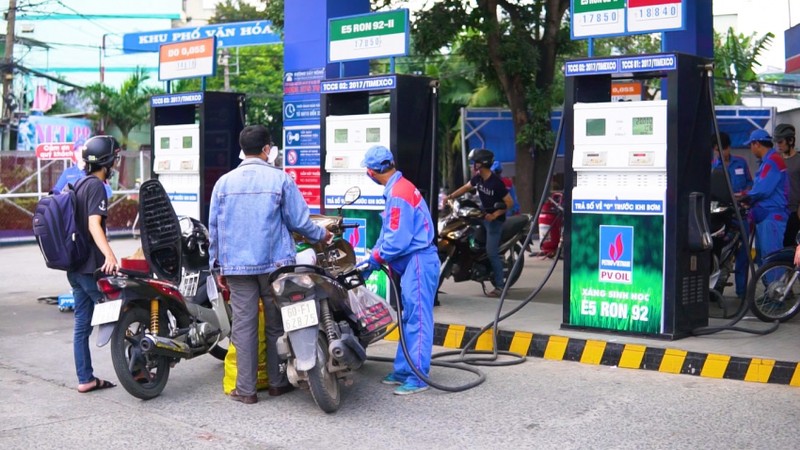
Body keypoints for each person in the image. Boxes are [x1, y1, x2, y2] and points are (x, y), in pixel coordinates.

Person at [209, 125, 331, 405]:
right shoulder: (281, 180)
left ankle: (247, 390)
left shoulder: (224, 183)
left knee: (244, 326)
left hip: (237, 268)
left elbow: (214, 229)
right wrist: (322, 235)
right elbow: (299, 222)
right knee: (276, 322)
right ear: (266, 149)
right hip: (275, 265)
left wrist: (216, 267)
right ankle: (277, 383)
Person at [359, 145, 440, 395]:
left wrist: (375, 258)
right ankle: (405, 370)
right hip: (411, 262)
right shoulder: (397, 188)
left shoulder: (399, 193)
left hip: (418, 260)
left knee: (417, 318)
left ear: (372, 171)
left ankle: (417, 377)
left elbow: (397, 240)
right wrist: (372, 256)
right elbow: (388, 232)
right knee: (408, 317)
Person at [69, 135, 121, 394]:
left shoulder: (79, 184)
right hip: (91, 268)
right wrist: (109, 256)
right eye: (114, 158)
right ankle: (136, 370)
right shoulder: (96, 186)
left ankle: (85, 378)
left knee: (82, 325)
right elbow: (93, 224)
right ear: (106, 161)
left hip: (75, 268)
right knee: (122, 313)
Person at [447, 148, 514, 297]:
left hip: (494, 222)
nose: (472, 166)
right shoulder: (478, 178)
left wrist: (495, 214)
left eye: (474, 163)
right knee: (470, 239)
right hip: (482, 216)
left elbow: (509, 202)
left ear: (482, 164)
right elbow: (465, 188)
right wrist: (450, 197)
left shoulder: (496, 183)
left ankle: (500, 287)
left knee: (492, 253)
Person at [711, 131, 753, 299]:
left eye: (722, 148)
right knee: (720, 251)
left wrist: (744, 193)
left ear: (728, 147)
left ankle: (742, 292)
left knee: (743, 253)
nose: (719, 152)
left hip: (742, 215)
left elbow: (750, 183)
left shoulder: (741, 163)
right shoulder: (714, 166)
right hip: (723, 216)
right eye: (716, 149)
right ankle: (716, 287)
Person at [740, 129, 788, 267]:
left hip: (772, 218)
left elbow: (762, 190)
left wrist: (744, 198)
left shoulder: (772, 162)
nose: (750, 148)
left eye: (751, 145)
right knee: (764, 260)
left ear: (757, 144)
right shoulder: (768, 161)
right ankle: (771, 287)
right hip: (766, 217)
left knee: (772, 261)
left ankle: (777, 288)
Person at [775, 124, 800, 247]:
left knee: (793, 248)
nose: (778, 145)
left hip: (795, 212)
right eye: (776, 142)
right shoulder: (775, 160)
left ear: (790, 140)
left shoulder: (798, 160)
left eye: (780, 141)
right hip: (779, 211)